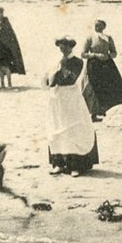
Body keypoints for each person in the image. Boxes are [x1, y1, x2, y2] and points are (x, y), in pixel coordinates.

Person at [43, 37, 99, 176]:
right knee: (57, 128)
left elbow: (70, 79)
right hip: (57, 99)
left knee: (73, 129)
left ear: (71, 47)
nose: (63, 49)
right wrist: (52, 76)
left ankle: (75, 165)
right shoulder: (54, 61)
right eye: (61, 46)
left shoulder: (77, 62)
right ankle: (59, 163)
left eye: (66, 46)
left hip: (71, 99)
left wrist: (57, 73)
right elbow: (47, 81)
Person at [81, 19, 122, 120]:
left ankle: (109, 112)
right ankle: (93, 114)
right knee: (92, 87)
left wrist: (108, 56)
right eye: (96, 25)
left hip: (107, 66)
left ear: (104, 27)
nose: (97, 27)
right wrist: (95, 55)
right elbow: (83, 54)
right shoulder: (90, 37)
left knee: (112, 86)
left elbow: (114, 52)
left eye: (100, 26)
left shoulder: (108, 38)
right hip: (93, 65)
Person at [0, 7, 25, 89]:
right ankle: (2, 83)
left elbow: (9, 33)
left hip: (7, 47)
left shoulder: (6, 21)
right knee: (0, 66)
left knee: (7, 66)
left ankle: (9, 82)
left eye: (1, 13)